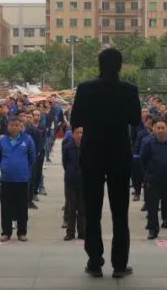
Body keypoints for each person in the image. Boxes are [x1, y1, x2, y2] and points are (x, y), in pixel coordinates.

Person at [70, 48, 140, 279]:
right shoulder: (129, 90)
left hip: (92, 156)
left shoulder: (85, 89)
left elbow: (75, 120)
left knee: (92, 211)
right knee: (120, 213)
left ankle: (94, 262)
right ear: (120, 66)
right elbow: (135, 120)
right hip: (119, 156)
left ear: (99, 65)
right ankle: (119, 265)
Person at [0, 114, 35, 242]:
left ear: (21, 127)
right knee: (6, 207)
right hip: (6, 179)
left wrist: (24, 169)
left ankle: (22, 232)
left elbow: (32, 157)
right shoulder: (2, 140)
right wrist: (4, 167)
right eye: (12, 125)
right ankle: (6, 232)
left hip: (22, 179)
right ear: (8, 126)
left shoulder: (27, 140)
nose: (14, 128)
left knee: (22, 207)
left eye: (17, 125)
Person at [140, 119, 167, 241]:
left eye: (163, 128)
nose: (160, 130)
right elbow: (143, 160)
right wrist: (148, 175)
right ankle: (153, 230)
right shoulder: (148, 143)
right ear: (154, 129)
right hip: (153, 180)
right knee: (152, 206)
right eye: (158, 128)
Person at [63, 126, 86, 241]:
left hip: (84, 181)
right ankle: (70, 232)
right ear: (73, 134)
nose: (80, 135)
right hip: (71, 181)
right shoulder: (67, 147)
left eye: (82, 133)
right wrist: (70, 171)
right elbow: (65, 162)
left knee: (83, 209)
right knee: (71, 208)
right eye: (77, 133)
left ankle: (82, 232)